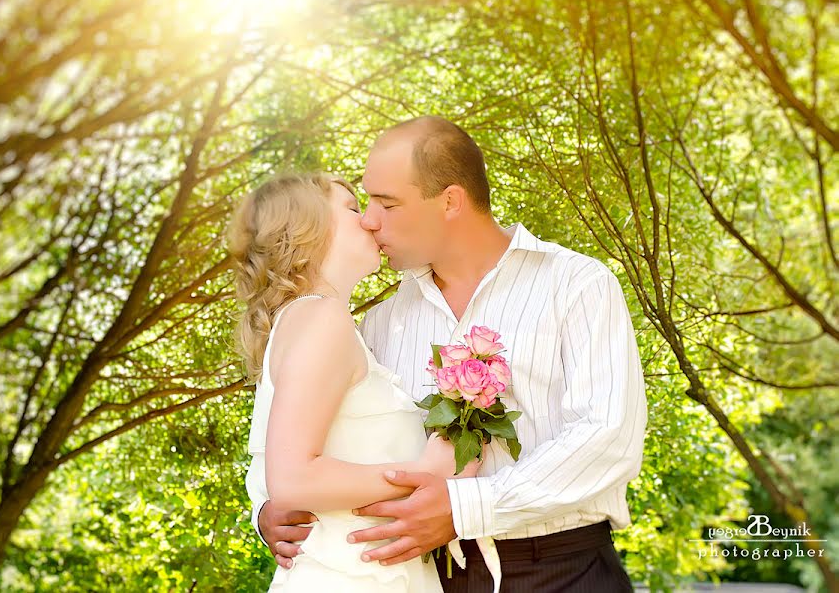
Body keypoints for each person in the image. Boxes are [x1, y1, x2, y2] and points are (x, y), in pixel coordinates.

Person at [255, 116, 648, 592]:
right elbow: (312, 436)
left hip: (561, 569)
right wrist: (267, 506)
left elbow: (606, 439)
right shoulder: (377, 324)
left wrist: (464, 508)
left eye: (387, 203)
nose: (369, 220)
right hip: (431, 574)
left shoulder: (576, 285)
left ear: (450, 201)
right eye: (365, 202)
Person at [227, 172, 478, 592]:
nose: (370, 221)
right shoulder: (321, 318)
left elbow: (271, 460)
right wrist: (421, 474)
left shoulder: (319, 322)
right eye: (352, 208)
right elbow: (291, 480)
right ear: (305, 228)